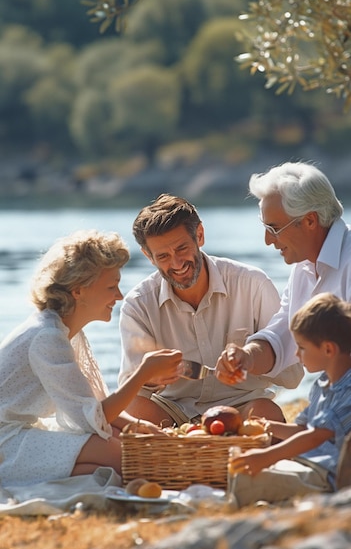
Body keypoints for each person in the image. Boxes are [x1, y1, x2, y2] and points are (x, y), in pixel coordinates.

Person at [0, 230, 182, 487]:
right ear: (78, 291)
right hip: (5, 442)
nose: (119, 296)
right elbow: (92, 416)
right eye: (111, 286)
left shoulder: (62, 330)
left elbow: (91, 403)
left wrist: (140, 425)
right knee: (123, 459)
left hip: (18, 433)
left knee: (119, 453)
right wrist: (142, 374)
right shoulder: (47, 337)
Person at [118, 193, 302, 428]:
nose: (176, 264)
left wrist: (250, 360)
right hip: (172, 409)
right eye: (163, 256)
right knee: (135, 411)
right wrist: (151, 378)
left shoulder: (253, 284)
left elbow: (293, 374)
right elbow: (130, 389)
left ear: (200, 235)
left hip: (243, 404)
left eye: (182, 248)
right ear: (148, 256)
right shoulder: (138, 304)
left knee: (267, 413)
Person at [217, 161, 351, 384]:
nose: (268, 240)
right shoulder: (304, 265)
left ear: (310, 220)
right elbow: (284, 336)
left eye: (274, 228)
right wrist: (246, 357)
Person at [228, 293, 351, 508]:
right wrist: (268, 427)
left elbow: (315, 437)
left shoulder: (347, 388)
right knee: (237, 471)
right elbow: (304, 429)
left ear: (328, 349)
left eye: (302, 347)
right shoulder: (323, 384)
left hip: (329, 477)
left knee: (247, 481)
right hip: (310, 466)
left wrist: (267, 457)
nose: (296, 354)